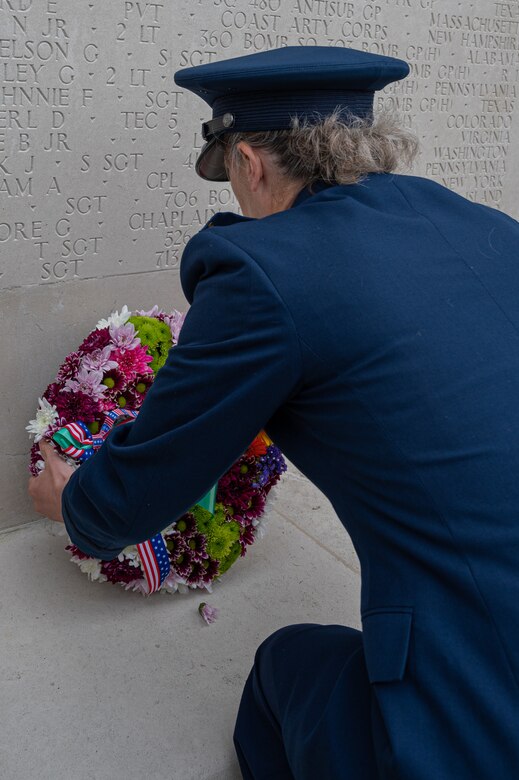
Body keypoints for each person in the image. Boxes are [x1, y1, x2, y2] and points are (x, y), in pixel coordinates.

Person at [29, 46, 519, 779]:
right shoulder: (487, 226)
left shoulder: (265, 272)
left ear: (251, 164)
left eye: (228, 173)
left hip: (485, 715)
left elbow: (127, 505)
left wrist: (73, 503)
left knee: (283, 667)